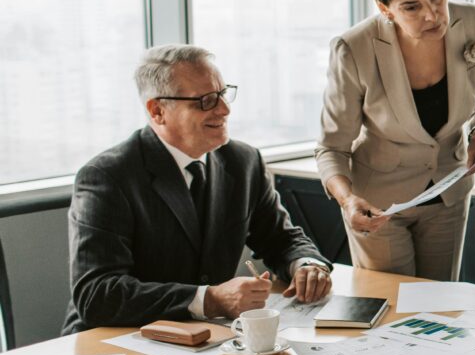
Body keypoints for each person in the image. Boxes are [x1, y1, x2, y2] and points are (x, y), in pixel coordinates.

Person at [63, 45, 332, 334]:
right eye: (205, 101)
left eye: (223, 94)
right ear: (157, 111)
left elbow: (280, 238)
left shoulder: (243, 161)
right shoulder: (108, 176)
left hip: (208, 338)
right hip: (116, 340)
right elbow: (97, 294)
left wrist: (305, 264)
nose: (225, 110)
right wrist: (208, 300)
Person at [316, 0, 475, 281]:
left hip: (448, 195)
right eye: (411, 7)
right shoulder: (353, 48)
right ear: (384, 8)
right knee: (390, 311)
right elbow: (331, 147)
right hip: (379, 206)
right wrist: (348, 200)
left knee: (441, 312)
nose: (432, 14)